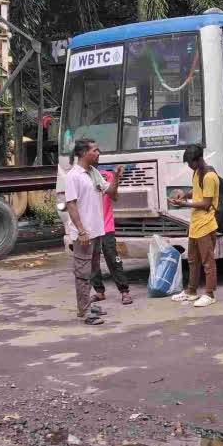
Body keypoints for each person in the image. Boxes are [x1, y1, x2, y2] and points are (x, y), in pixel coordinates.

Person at [62, 139, 110, 326]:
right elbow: (71, 204)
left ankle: (88, 304)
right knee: (82, 273)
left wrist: (117, 177)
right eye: (95, 150)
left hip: (96, 231)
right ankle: (85, 311)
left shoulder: (93, 173)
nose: (98, 153)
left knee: (92, 271)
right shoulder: (74, 176)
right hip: (84, 234)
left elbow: (110, 192)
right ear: (83, 153)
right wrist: (82, 231)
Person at [169, 144, 219, 307]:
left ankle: (210, 294)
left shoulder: (210, 176)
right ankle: (191, 291)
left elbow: (206, 203)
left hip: (206, 224)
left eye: (191, 162)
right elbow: (197, 192)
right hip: (196, 224)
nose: (189, 166)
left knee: (207, 261)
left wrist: (184, 204)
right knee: (192, 260)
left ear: (199, 159)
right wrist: (185, 195)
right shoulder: (198, 172)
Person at [91, 165, 132, 305]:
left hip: (106, 226)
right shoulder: (80, 177)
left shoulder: (105, 175)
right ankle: (99, 292)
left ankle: (124, 291)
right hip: (89, 227)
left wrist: (115, 178)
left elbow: (114, 197)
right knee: (92, 261)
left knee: (113, 259)